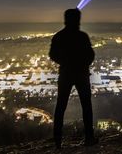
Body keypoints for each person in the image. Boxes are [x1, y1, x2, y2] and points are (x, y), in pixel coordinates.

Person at [49, 8, 98, 148]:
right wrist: (83, 64)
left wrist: (65, 62)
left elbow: (52, 55)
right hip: (81, 74)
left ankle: (57, 141)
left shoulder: (59, 36)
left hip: (65, 74)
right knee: (86, 106)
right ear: (77, 20)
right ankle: (89, 138)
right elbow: (91, 54)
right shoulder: (82, 36)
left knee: (61, 107)